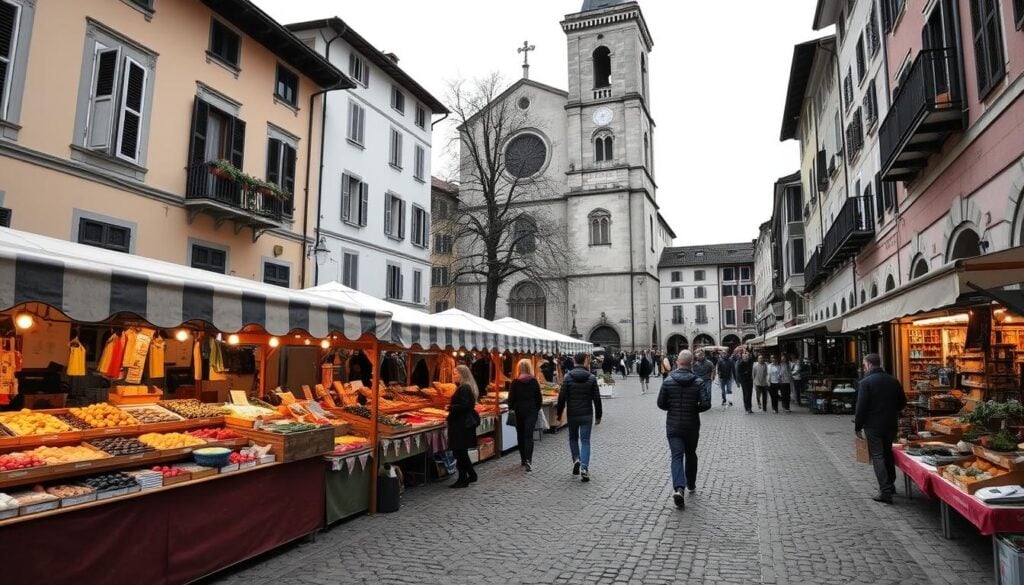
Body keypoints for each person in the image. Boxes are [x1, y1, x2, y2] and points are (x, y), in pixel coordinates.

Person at [855, 353, 907, 504]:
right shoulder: (893, 380)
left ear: (870, 365)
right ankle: (890, 485)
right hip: (890, 423)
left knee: (878, 456)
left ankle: (885, 491)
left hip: (873, 425)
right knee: (887, 453)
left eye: (864, 365)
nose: (864, 368)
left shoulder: (866, 383)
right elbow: (902, 403)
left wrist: (858, 426)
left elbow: (861, 407)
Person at [657, 350, 702, 509]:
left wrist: (673, 407)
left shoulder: (668, 381)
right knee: (691, 454)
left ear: (677, 362)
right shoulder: (698, 381)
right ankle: (691, 483)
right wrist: (694, 408)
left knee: (676, 456)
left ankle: (679, 489)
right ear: (691, 363)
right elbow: (706, 403)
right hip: (691, 425)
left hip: (674, 425)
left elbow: (661, 403)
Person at [556, 352, 603, 482]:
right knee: (586, 441)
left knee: (573, 438)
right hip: (587, 414)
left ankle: (576, 458)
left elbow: (562, 398)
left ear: (574, 361)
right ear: (585, 362)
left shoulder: (567, 377)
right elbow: (597, 399)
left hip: (573, 414)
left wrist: (559, 414)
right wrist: (599, 415)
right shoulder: (592, 378)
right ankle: (584, 467)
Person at [447, 365, 480, 488]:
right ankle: (471, 475)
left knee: (459, 452)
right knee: (461, 452)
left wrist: (451, 408)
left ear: (462, 374)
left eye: (456, 373)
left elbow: (465, 406)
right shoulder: (464, 387)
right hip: (462, 424)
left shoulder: (465, 388)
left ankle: (463, 479)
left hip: (461, 425)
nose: (454, 375)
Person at [508, 359, 543, 472]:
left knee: (521, 435)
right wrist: (536, 409)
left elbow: (511, 399)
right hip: (531, 411)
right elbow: (539, 399)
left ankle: (523, 459)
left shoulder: (515, 382)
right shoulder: (534, 382)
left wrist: (512, 408)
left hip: (518, 411)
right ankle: (529, 460)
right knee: (529, 436)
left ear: (518, 369)